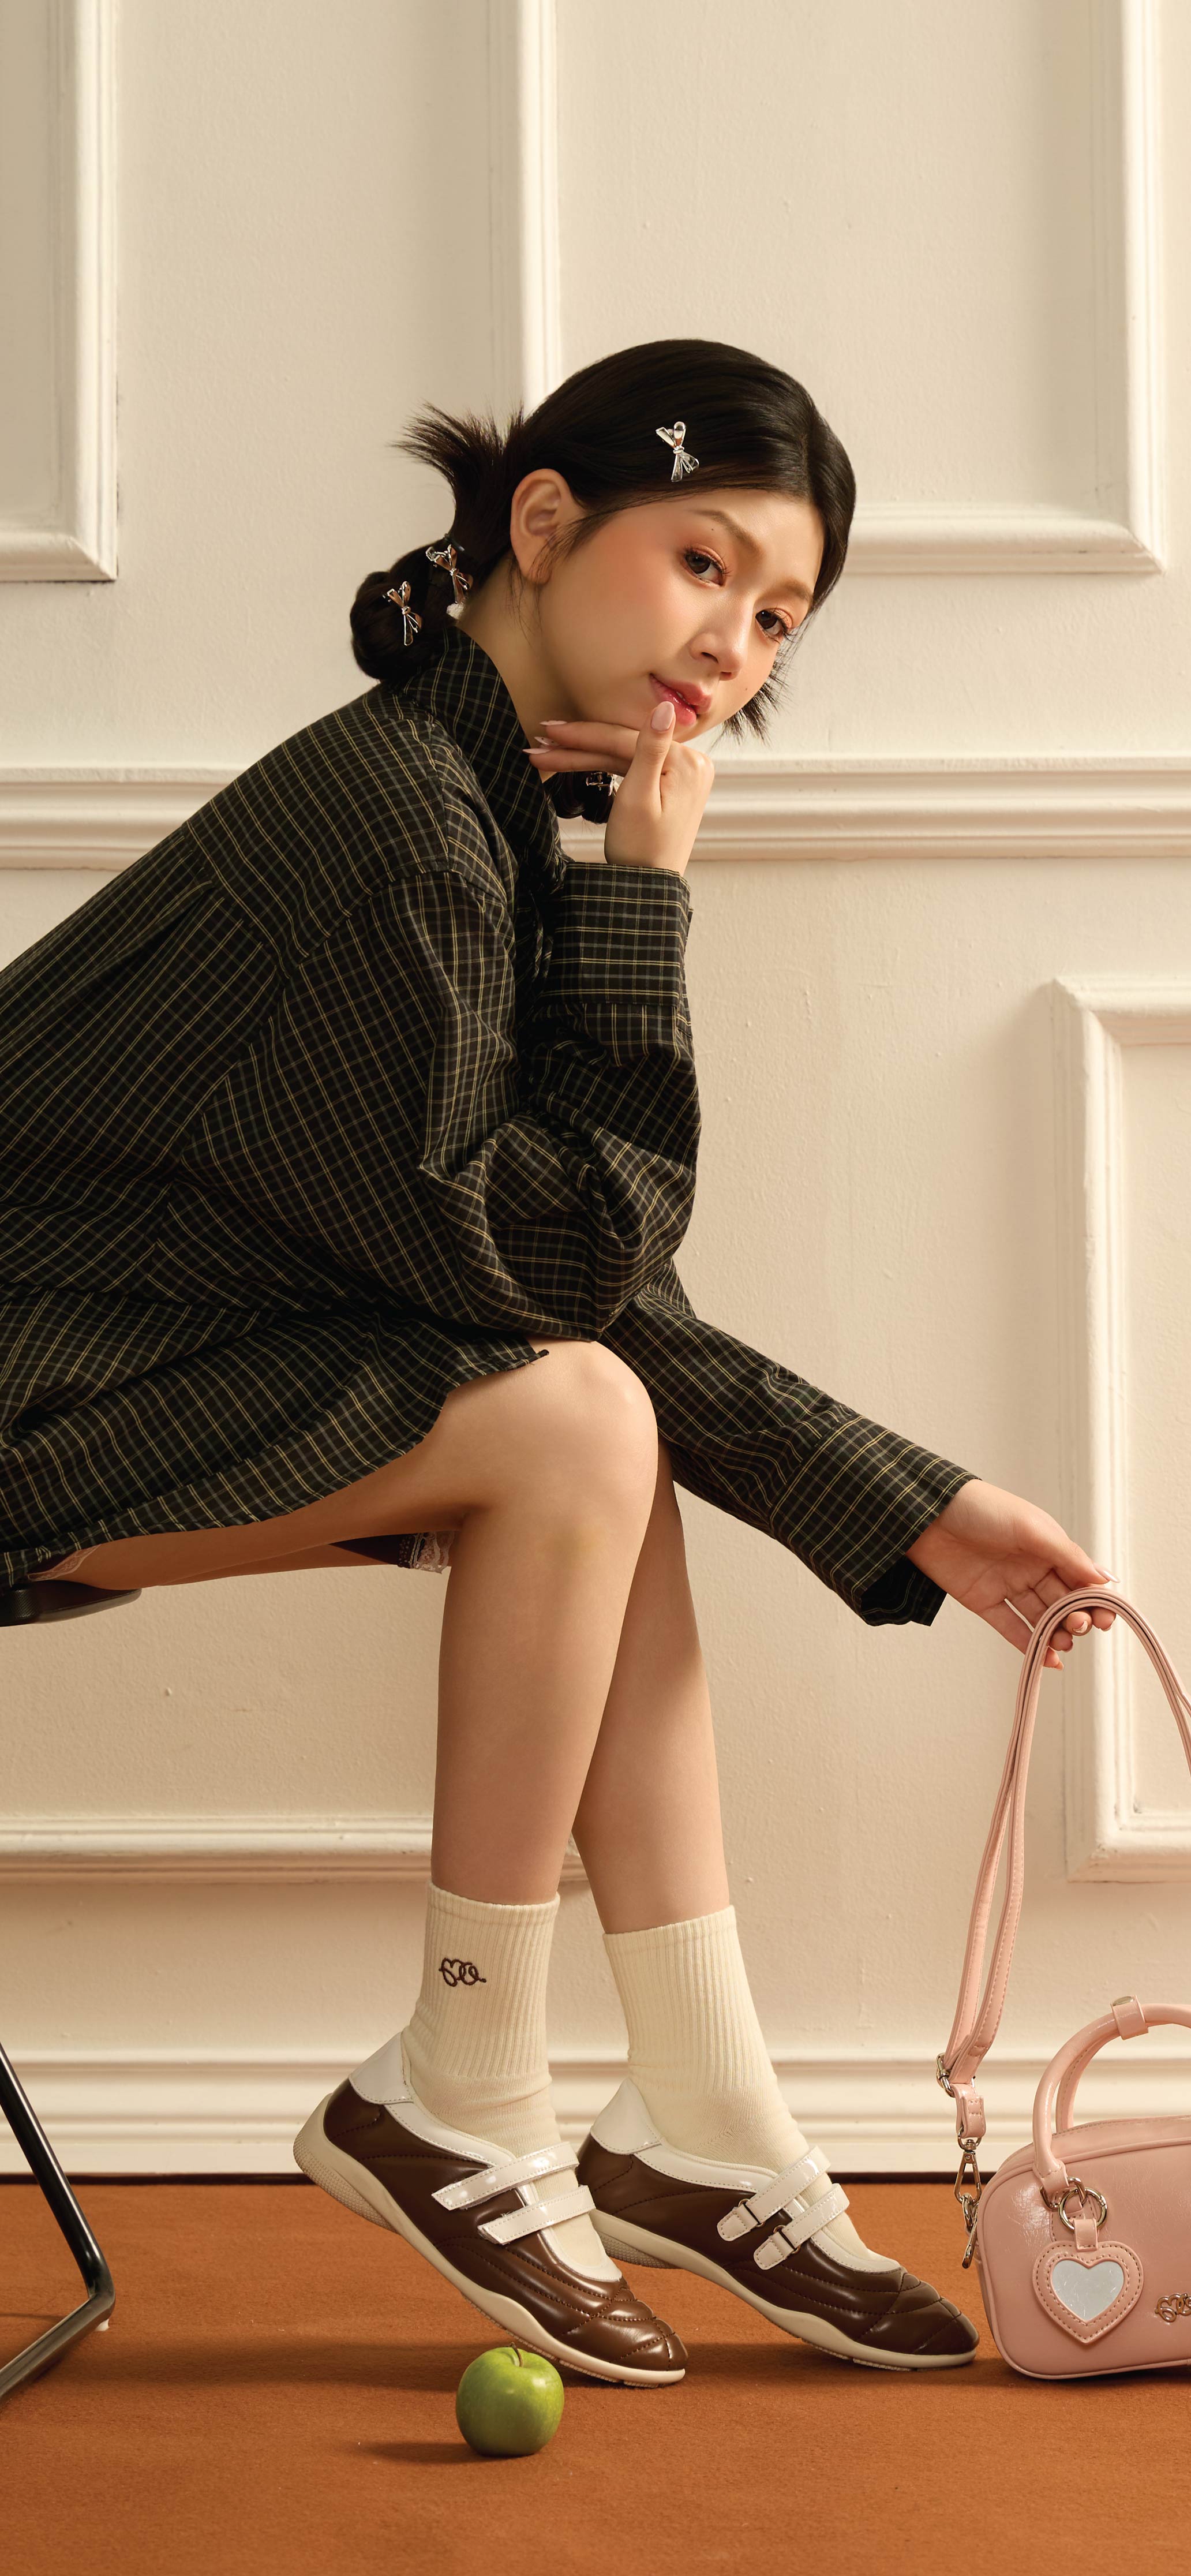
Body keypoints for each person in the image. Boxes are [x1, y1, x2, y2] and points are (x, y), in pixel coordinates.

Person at [0, 337, 1117, 2384]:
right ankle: (464, 2071)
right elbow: (576, 1265)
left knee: (588, 1430)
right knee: (579, 1419)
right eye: (705, 563)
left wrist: (916, 1506)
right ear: (540, 522)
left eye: (778, 618)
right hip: (26, 1413)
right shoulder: (412, 830)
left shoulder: (478, 801)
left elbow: (556, 1289)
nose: (733, 645)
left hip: (105, 1386)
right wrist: (649, 906)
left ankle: (699, 2105)